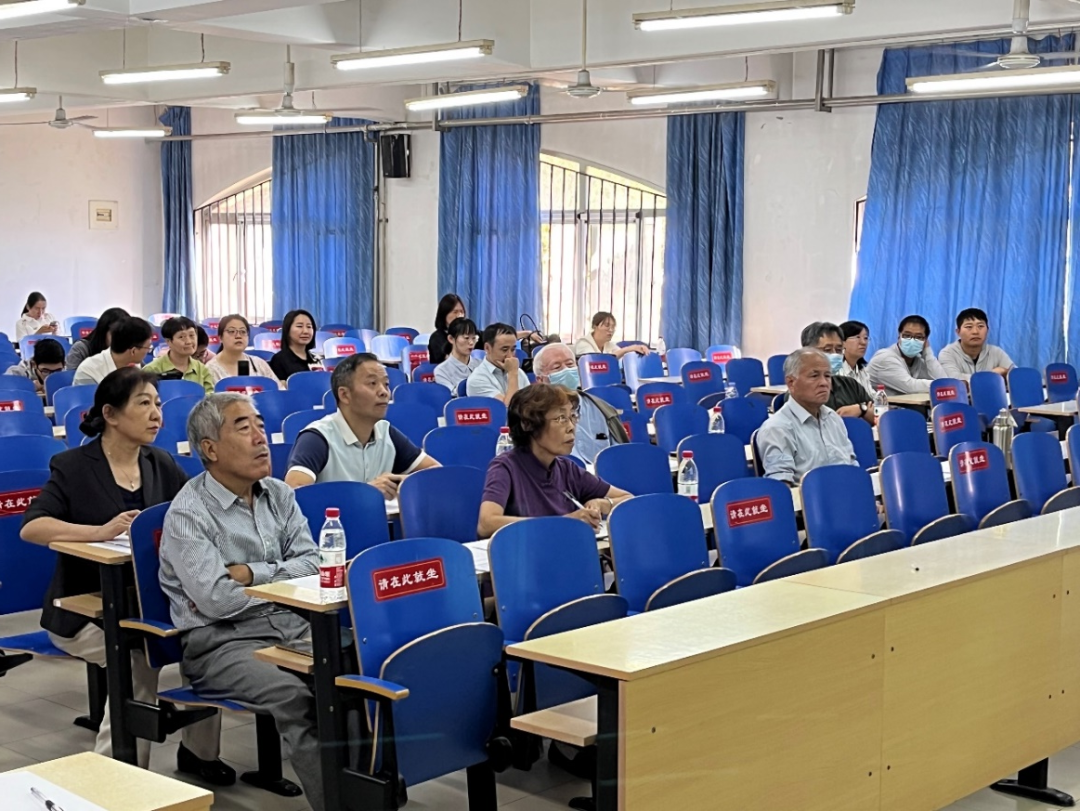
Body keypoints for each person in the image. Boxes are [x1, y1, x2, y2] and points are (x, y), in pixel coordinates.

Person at [20, 368, 228, 779]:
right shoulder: (73, 466)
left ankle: (200, 755)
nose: (156, 414)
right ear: (111, 414)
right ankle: (119, 778)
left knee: (210, 645)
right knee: (137, 660)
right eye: (144, 403)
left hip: (148, 605)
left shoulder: (160, 462)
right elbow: (33, 527)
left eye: (158, 404)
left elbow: (200, 514)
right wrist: (97, 532)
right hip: (84, 612)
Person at [157, 394, 323, 810]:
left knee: (350, 681)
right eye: (243, 428)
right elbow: (216, 600)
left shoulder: (279, 494)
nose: (260, 438)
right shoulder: (188, 513)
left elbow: (314, 564)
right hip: (221, 643)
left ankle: (375, 793)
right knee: (297, 699)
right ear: (210, 449)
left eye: (261, 426)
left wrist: (252, 572)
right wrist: (281, 574)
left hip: (290, 624)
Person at [478, 384, 632, 537]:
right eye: (560, 418)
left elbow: (628, 499)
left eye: (572, 417)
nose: (571, 427)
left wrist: (602, 504)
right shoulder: (505, 467)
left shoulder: (567, 469)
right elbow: (487, 523)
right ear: (528, 424)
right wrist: (564, 522)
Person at [284, 353, 440, 497]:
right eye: (372, 383)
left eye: (386, 384)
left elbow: (436, 473)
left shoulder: (386, 432)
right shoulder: (317, 438)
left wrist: (403, 481)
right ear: (344, 395)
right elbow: (294, 491)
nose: (384, 392)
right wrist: (365, 492)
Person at [756, 348, 859, 486]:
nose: (824, 383)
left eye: (827, 376)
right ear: (791, 383)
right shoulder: (776, 429)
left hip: (847, 492)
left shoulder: (833, 418)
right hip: (810, 498)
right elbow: (782, 486)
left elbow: (851, 465)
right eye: (814, 376)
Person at [532, 343, 628, 464]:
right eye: (557, 367)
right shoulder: (532, 416)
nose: (566, 370)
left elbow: (620, 458)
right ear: (541, 380)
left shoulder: (602, 410)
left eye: (570, 364)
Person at [799, 322, 875, 425]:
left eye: (839, 350)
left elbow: (877, 416)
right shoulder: (799, 392)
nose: (835, 354)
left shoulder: (851, 384)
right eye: (827, 350)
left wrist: (861, 409)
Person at [866, 315, 947, 395]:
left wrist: (928, 353)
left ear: (925, 341)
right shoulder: (885, 358)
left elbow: (945, 382)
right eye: (907, 335)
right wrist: (941, 384)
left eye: (918, 337)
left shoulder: (918, 360)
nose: (912, 341)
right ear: (899, 336)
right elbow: (910, 386)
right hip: (875, 403)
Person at [937, 308, 1015, 381]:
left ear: (987, 330)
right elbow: (953, 380)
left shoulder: (996, 352)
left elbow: (1016, 377)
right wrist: (992, 375)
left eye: (980, 326)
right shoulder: (947, 353)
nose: (975, 332)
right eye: (969, 327)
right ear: (958, 332)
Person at [73, 316, 154, 386]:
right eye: (148, 347)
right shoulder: (88, 371)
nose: (148, 351)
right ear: (133, 351)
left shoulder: (137, 366)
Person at [144, 317, 214, 395]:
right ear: (169, 342)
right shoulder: (151, 370)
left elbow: (209, 398)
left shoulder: (202, 369)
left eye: (192, 335)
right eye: (181, 337)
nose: (188, 342)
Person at [206, 314, 280, 387]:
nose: (238, 336)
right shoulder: (210, 370)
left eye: (243, 332)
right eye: (231, 331)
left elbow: (279, 390)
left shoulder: (259, 364)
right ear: (220, 338)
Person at [467, 323, 530, 404]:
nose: (510, 356)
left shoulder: (518, 372)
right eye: (504, 350)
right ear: (487, 348)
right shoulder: (476, 380)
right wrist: (512, 374)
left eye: (513, 349)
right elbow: (507, 408)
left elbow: (531, 403)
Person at [66, 307, 130, 371]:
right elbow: (71, 376)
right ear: (103, 331)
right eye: (116, 335)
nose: (120, 341)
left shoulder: (128, 352)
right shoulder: (81, 348)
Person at [572, 312, 650, 360]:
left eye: (613, 327)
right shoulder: (583, 343)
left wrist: (637, 349)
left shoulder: (609, 345)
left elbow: (622, 357)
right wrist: (628, 348)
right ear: (595, 326)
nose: (611, 330)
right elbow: (596, 362)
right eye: (607, 325)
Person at [433, 317, 481, 392]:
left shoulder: (481, 365)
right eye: (466, 338)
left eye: (474, 338)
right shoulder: (441, 371)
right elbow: (452, 394)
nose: (471, 343)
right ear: (451, 339)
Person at [269, 309, 319, 381]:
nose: (305, 331)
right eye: (299, 326)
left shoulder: (316, 358)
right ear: (287, 330)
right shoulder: (279, 360)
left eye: (309, 327)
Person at [427, 294, 467, 366]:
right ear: (444, 314)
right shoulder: (436, 338)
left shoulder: (469, 334)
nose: (459, 316)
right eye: (455, 312)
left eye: (461, 312)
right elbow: (447, 361)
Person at [838, 320, 872, 393]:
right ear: (842, 342)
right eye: (857, 337)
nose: (863, 342)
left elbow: (872, 396)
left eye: (866, 338)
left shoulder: (862, 371)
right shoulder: (836, 370)